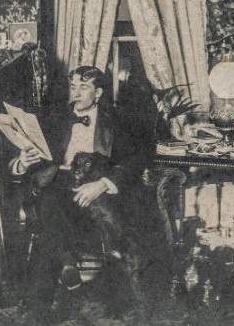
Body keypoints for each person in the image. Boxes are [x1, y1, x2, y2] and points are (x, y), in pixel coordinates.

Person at [10, 66, 146, 320]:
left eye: (84, 87)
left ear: (99, 93)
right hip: (56, 184)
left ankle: (41, 304)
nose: (76, 93)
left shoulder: (116, 122)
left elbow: (136, 160)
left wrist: (103, 183)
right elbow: (19, 162)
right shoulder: (52, 119)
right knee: (50, 203)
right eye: (73, 86)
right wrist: (23, 162)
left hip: (94, 190)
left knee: (49, 228)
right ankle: (67, 267)